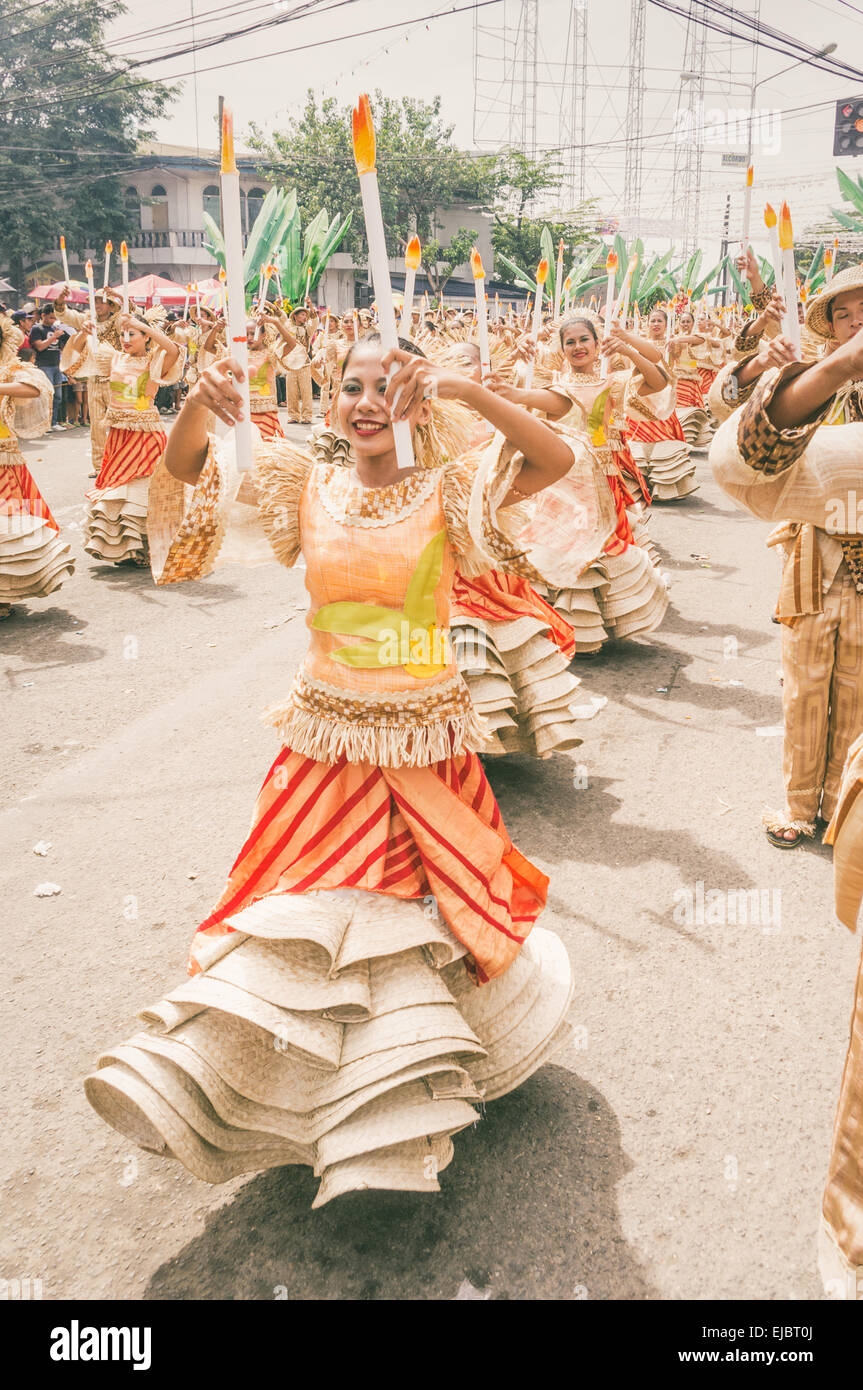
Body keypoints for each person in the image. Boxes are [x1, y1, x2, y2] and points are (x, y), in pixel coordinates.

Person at [84, 333, 584, 1204]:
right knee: (311, 932)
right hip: (320, 753)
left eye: (387, 388)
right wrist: (200, 402)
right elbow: (185, 471)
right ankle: (310, 1099)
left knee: (424, 932)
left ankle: (408, 1098)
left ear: (418, 405)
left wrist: (467, 386)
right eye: (350, 386)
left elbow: (553, 454)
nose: (364, 402)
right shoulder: (300, 483)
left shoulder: (451, 490)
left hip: (427, 753)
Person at [711, 264, 863, 847]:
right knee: (804, 682)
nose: (854, 323)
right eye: (843, 313)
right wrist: (761, 363)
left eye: (862, 312)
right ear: (828, 326)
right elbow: (726, 403)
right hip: (813, 549)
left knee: (855, 683)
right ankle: (798, 806)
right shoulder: (809, 371)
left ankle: (839, 802)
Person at [66, 309, 183, 565]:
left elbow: (173, 350)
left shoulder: (155, 361)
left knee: (147, 490)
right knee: (118, 491)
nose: (125, 338)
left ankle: (151, 546)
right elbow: (73, 363)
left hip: (147, 435)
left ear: (146, 337)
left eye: (132, 334)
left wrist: (146, 326)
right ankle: (123, 547)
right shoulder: (113, 358)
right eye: (122, 334)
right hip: (119, 436)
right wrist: (80, 335)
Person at [0, 313, 74, 617]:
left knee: (7, 532)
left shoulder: (9, 370)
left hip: (3, 462)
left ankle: (4, 594)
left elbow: (36, 388)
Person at [56, 287, 123, 471]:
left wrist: (121, 297)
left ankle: (121, 462)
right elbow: (66, 316)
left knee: (120, 422)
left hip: (116, 380)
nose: (97, 305)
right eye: (95, 302)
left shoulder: (118, 321)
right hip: (93, 380)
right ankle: (99, 466)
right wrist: (61, 302)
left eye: (101, 301)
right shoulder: (87, 320)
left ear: (111, 305)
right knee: (97, 426)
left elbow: (133, 318)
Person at [29, 306, 69, 429]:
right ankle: (43, 424)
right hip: (44, 366)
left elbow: (63, 347)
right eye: (51, 317)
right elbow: (39, 347)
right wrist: (53, 337)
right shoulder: (37, 328)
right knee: (46, 396)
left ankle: (53, 423)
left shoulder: (55, 328)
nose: (53, 320)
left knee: (57, 397)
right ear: (43, 315)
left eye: (54, 317)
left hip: (56, 365)